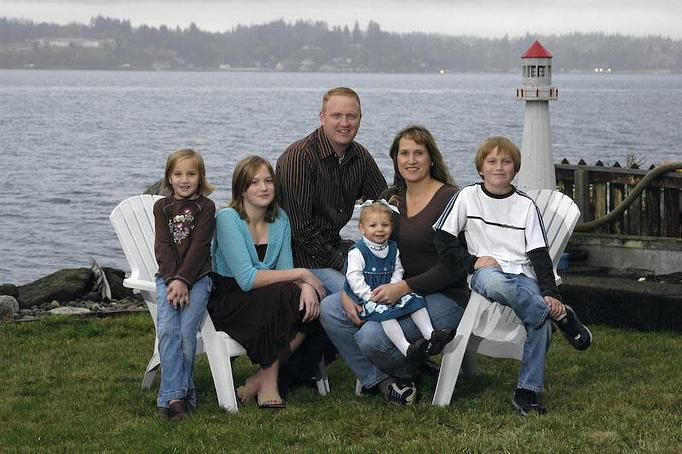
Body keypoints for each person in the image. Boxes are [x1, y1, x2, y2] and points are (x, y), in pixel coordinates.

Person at [433, 136, 593, 416]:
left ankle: (526, 392)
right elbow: (443, 239)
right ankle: (558, 315)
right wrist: (472, 261)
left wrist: (549, 292)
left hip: (523, 275)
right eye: (491, 161)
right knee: (498, 283)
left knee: (538, 323)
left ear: (515, 168)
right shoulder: (467, 197)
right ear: (480, 168)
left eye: (506, 161)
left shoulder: (526, 206)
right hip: (486, 273)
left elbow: (540, 256)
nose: (499, 167)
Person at [320, 125, 469, 405]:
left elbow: (455, 266)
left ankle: (405, 374)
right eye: (404, 154)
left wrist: (404, 287)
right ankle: (383, 379)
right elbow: (370, 246)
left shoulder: (451, 198)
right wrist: (347, 290)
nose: (411, 160)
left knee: (371, 337)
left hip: (444, 296)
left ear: (431, 158)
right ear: (395, 159)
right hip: (391, 291)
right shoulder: (391, 198)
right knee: (330, 309)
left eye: (418, 153)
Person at [208, 155, 326, 409]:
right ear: (241, 188)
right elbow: (247, 279)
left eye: (268, 181)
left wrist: (306, 285)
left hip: (267, 299)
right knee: (286, 296)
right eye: (254, 182)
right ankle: (270, 382)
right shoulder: (228, 219)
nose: (263, 187)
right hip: (229, 301)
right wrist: (303, 274)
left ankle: (261, 378)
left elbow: (285, 270)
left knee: (313, 302)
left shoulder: (280, 219)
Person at [276, 86, 387, 294]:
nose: (344, 123)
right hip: (301, 258)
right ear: (322, 117)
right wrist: (344, 264)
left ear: (360, 119)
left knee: (387, 279)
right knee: (359, 294)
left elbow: (383, 204)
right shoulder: (300, 158)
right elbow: (301, 229)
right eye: (336, 115)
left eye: (351, 116)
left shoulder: (359, 156)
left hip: (334, 247)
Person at [343, 199, 456, 371]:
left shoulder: (393, 247)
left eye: (385, 225)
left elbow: (398, 269)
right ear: (362, 229)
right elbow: (354, 277)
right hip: (371, 297)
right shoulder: (358, 252)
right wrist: (368, 296)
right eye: (373, 225)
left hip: (391, 291)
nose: (379, 229)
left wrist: (395, 286)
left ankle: (431, 335)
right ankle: (406, 348)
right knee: (387, 315)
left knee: (415, 301)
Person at [153, 148, 216, 422]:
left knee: (186, 335)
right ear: (169, 177)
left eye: (191, 173)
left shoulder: (206, 207)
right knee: (168, 331)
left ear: (200, 177)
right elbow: (163, 247)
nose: (184, 179)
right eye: (178, 174)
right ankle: (182, 397)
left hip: (198, 278)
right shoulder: (162, 208)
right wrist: (172, 280)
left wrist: (184, 280)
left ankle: (172, 399)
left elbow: (200, 247)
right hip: (167, 280)